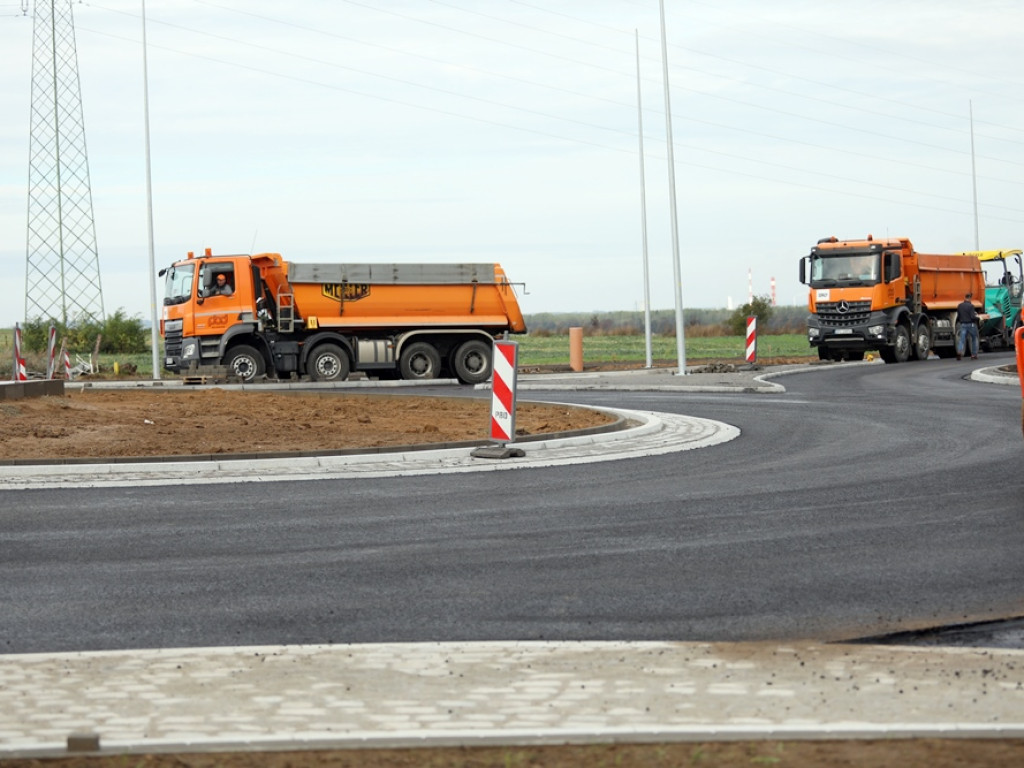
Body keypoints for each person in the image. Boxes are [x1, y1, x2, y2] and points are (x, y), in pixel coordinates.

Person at [956, 292, 979, 360]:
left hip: (963, 324)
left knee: (962, 339)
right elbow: (972, 316)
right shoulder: (971, 306)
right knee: (974, 338)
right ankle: (973, 354)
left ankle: (959, 352)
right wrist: (978, 318)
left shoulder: (960, 306)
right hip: (971, 324)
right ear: (969, 298)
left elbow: (959, 315)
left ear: (965, 298)